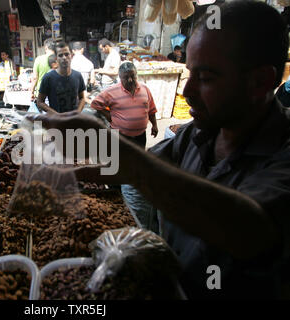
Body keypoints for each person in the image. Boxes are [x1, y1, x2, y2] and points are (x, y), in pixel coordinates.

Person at [30, 1, 290, 299]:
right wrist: (65, 173)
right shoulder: (199, 134)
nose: (187, 91)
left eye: (205, 78)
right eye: (189, 74)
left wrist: (115, 148)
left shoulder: (282, 151)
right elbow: (137, 164)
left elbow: (249, 229)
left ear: (260, 82)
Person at [91, 61, 158, 148]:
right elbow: (95, 103)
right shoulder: (111, 91)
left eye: (133, 76)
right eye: (126, 77)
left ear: (136, 75)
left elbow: (152, 110)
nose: (130, 80)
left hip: (140, 136)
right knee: (119, 160)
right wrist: (108, 115)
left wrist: (155, 125)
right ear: (120, 77)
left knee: (138, 160)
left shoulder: (145, 89)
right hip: (119, 137)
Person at [37, 42, 86, 114]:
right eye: (60, 55)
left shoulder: (78, 76)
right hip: (56, 122)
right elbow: (40, 102)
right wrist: (56, 115)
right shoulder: (48, 78)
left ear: (71, 56)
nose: (64, 58)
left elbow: (82, 98)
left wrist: (78, 112)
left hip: (73, 121)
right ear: (56, 58)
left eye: (66, 54)